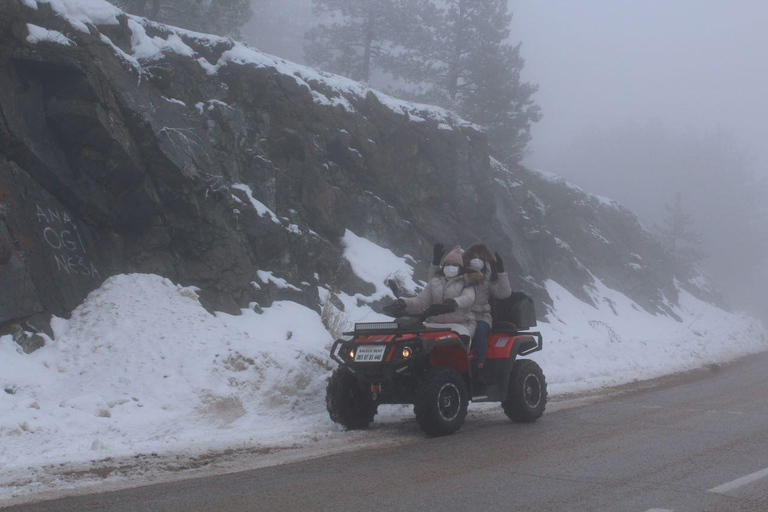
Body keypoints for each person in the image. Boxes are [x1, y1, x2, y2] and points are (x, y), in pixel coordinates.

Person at [431, 243, 512, 379]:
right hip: (460, 316)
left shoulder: (488, 282)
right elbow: (436, 282)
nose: (476, 260)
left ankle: (480, 364)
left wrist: (501, 271)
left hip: (481, 317)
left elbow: (504, 293)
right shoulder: (461, 277)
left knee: (479, 330)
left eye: (479, 258)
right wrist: (435, 263)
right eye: (473, 257)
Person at [393, 246, 482, 338]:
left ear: (460, 268)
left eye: (454, 265)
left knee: (458, 341)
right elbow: (421, 301)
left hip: (461, 324)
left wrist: (454, 302)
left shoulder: (467, 281)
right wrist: (404, 302)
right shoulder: (435, 281)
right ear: (443, 267)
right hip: (435, 324)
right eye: (447, 264)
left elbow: (468, 298)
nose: (450, 267)